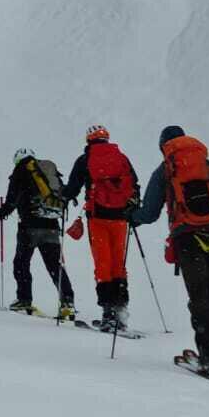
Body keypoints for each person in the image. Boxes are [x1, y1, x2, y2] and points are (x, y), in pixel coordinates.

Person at [129, 126, 209, 374]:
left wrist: (133, 217)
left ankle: (208, 353)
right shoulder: (207, 165)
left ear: (163, 146)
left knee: (199, 295)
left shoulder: (165, 170)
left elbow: (150, 212)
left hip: (188, 237)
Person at [62, 124, 139, 331]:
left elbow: (72, 189)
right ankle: (121, 310)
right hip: (121, 218)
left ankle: (108, 313)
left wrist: (63, 195)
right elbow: (134, 184)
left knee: (103, 263)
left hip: (98, 218)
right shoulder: (121, 158)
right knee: (118, 263)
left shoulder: (85, 159)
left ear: (89, 140)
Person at [0, 147, 75, 320]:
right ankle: (67, 303)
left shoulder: (20, 170)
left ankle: (24, 300)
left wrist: (2, 211)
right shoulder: (47, 171)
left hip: (29, 226)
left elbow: (12, 198)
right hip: (51, 226)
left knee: (21, 263)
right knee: (55, 266)